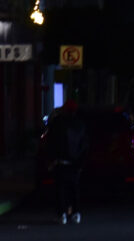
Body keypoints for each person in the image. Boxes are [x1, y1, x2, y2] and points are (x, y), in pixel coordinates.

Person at [45, 94, 89, 225]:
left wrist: (51, 159)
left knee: (60, 190)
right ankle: (76, 213)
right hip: (75, 162)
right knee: (74, 189)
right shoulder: (80, 125)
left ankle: (62, 214)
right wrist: (81, 162)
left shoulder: (57, 123)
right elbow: (84, 145)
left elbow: (50, 142)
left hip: (61, 161)